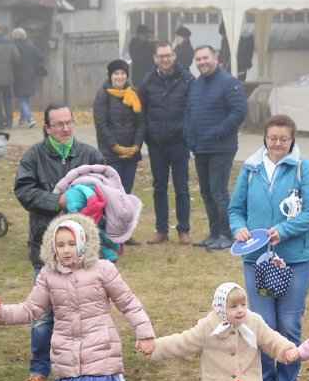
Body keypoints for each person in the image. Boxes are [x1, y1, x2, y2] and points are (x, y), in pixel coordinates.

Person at [0, 216, 156, 381]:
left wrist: (145, 334)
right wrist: (0, 313)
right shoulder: (48, 275)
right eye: (60, 245)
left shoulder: (103, 269)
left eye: (71, 243)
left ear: (83, 243)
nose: (66, 250)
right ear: (53, 247)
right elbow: (30, 309)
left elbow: (128, 302)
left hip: (101, 359)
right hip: (68, 363)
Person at [228, 116, 309, 381]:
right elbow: (235, 209)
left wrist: (284, 230)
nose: (278, 143)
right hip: (256, 258)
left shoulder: (303, 168)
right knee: (262, 324)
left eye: (284, 138)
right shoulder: (251, 169)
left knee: (289, 324)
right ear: (265, 138)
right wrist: (239, 229)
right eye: (272, 138)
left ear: (292, 139)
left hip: (295, 259)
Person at [11, 104, 105, 381]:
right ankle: (39, 370)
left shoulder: (90, 155)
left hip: (85, 251)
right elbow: (24, 191)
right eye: (58, 124)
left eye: (69, 122)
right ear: (47, 128)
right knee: (43, 314)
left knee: (87, 310)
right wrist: (58, 202)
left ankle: (90, 367)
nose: (65, 128)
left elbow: (109, 190)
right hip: (46, 250)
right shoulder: (34, 157)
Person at [148, 281, 298, 381]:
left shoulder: (253, 322)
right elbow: (182, 342)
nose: (240, 310)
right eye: (233, 306)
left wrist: (285, 349)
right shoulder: (208, 327)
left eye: (243, 304)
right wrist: (154, 347)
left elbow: (271, 339)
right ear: (221, 308)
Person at [184, 47, 247, 250]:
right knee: (206, 192)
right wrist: (189, 135)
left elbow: (238, 112)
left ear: (215, 59)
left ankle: (227, 233)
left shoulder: (229, 83)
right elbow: (189, 112)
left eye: (205, 58)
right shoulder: (197, 84)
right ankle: (214, 232)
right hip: (200, 148)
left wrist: (217, 133)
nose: (202, 62)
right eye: (198, 59)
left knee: (218, 191)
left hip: (221, 148)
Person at [140, 43, 193, 245]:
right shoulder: (147, 82)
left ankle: (183, 230)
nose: (165, 59)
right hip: (157, 145)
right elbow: (142, 112)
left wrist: (186, 133)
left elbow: (192, 108)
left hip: (179, 142)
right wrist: (148, 136)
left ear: (174, 55)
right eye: (161, 56)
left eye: (168, 55)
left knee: (182, 188)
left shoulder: (186, 79)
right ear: (155, 58)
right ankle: (161, 229)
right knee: (159, 188)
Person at [93, 59, 144, 193]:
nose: (119, 77)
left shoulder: (134, 93)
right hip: (111, 154)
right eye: (116, 73)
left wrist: (136, 146)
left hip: (131, 154)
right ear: (110, 75)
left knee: (127, 191)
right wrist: (116, 147)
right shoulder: (103, 95)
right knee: (113, 192)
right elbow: (101, 124)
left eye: (123, 73)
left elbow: (140, 123)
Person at [11, 28, 45, 128]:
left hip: (18, 75)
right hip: (30, 75)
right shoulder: (31, 46)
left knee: (22, 99)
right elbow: (42, 57)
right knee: (24, 98)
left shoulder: (13, 47)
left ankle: (30, 119)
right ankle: (22, 120)